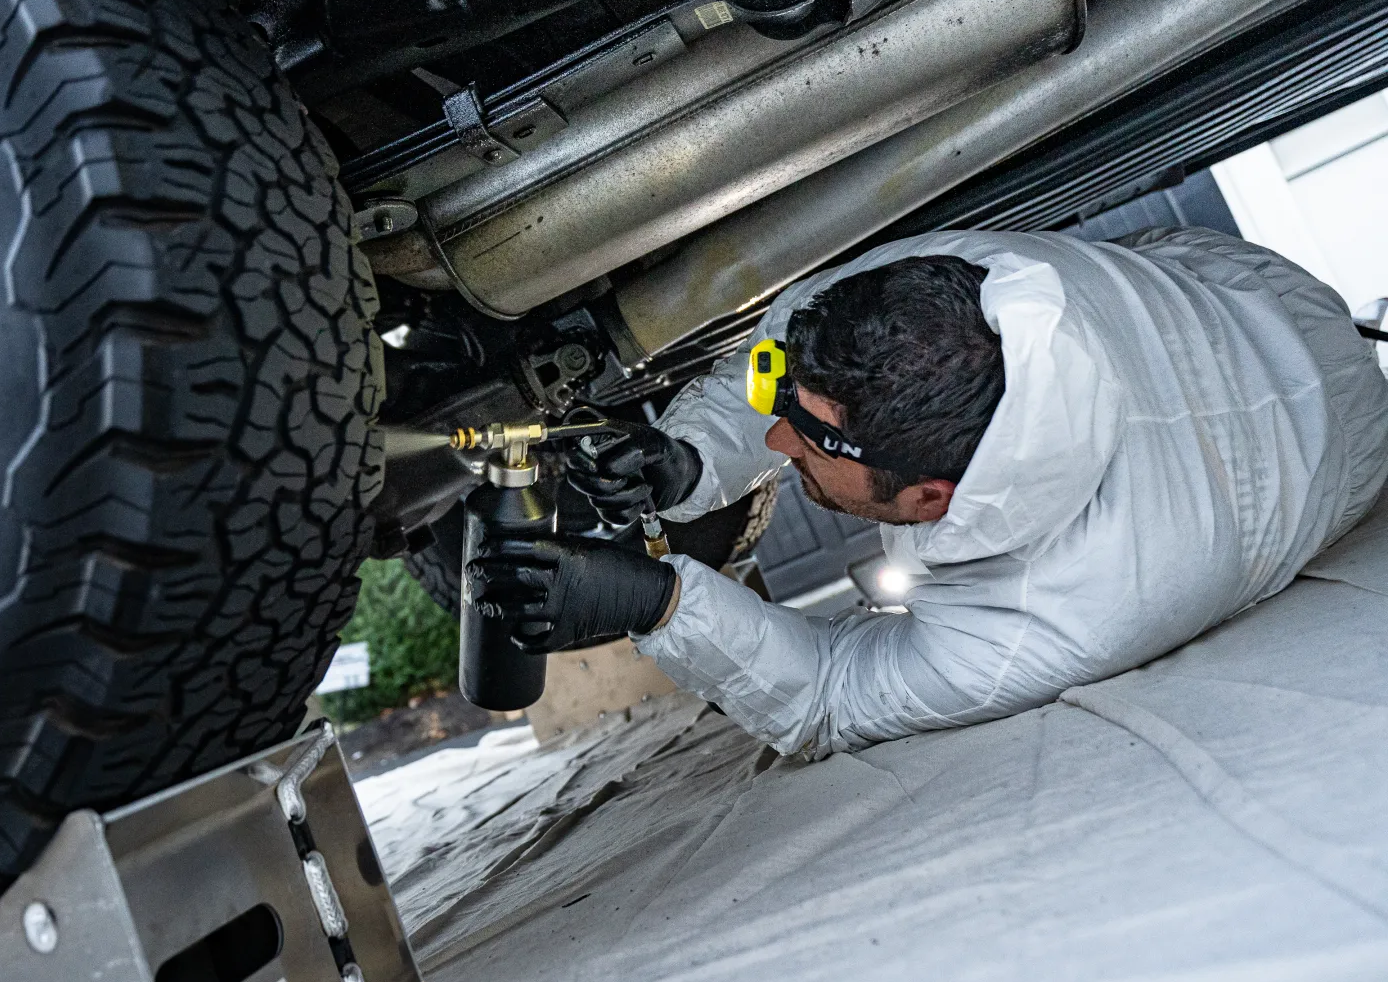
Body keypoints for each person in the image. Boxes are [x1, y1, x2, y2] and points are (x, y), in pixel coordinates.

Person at [468, 228, 1388, 758]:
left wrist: (658, 603)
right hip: (1245, 286)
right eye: (777, 409)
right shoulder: (964, 288)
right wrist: (689, 455)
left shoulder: (1067, 611)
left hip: (1340, 448)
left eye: (807, 442)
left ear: (927, 500)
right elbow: (797, 344)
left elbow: (828, 693)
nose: (777, 441)